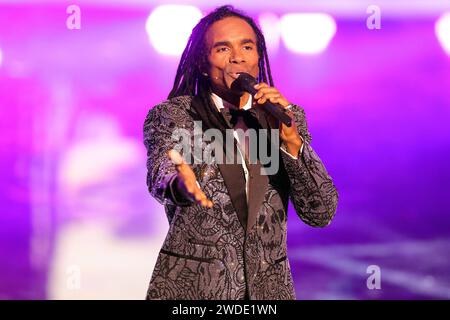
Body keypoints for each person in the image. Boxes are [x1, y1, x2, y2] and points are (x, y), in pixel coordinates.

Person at [144, 5, 338, 300]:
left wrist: (292, 144)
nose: (238, 57)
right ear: (202, 63)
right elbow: (162, 170)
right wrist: (180, 183)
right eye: (223, 49)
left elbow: (320, 212)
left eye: (247, 46)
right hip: (196, 292)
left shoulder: (287, 117)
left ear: (258, 57)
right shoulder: (176, 116)